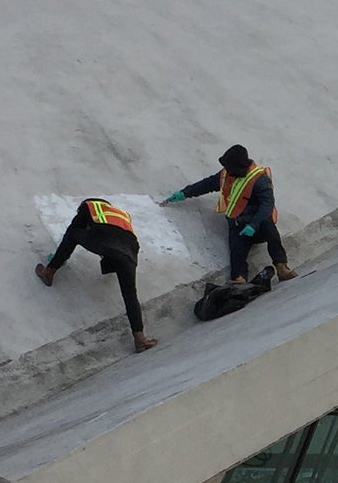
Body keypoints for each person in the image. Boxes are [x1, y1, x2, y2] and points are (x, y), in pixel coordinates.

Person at [35, 198, 157, 351]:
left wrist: (59, 256)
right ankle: (140, 339)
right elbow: (120, 236)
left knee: (73, 233)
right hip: (130, 254)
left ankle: (49, 272)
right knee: (130, 294)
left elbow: (75, 227)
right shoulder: (121, 214)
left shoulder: (89, 206)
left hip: (107, 244)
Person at [167, 144, 296, 285]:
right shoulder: (227, 174)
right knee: (236, 253)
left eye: (230, 168)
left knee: (270, 229)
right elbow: (206, 184)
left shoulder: (259, 179)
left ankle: (281, 267)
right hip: (238, 225)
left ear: (239, 166)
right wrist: (185, 193)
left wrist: (254, 224)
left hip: (258, 224)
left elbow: (267, 206)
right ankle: (239, 279)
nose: (227, 171)